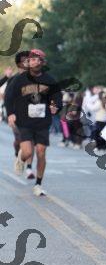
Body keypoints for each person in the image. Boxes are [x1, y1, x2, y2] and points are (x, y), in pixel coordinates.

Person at [5, 50, 62, 196]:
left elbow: (57, 97)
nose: (35, 62)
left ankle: (38, 184)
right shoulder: (19, 79)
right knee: (28, 152)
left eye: (38, 59)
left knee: (41, 152)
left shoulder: (49, 80)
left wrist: (55, 106)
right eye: (32, 59)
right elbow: (9, 97)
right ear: (28, 62)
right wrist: (10, 113)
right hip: (24, 121)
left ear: (43, 62)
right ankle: (21, 158)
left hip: (42, 122)